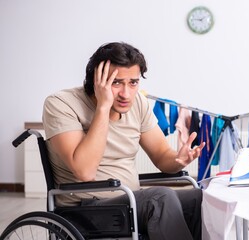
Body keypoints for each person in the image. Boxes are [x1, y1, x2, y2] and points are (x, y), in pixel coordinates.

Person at [42, 42, 205, 240]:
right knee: (161, 198)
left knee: (200, 198)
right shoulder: (61, 103)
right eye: (116, 82)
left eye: (133, 83)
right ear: (97, 79)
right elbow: (85, 171)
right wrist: (103, 106)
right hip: (84, 211)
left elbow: (162, 155)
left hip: (128, 202)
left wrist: (178, 159)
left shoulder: (138, 103)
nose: (126, 94)